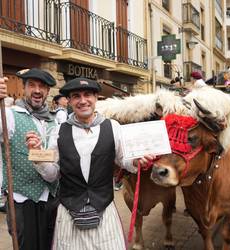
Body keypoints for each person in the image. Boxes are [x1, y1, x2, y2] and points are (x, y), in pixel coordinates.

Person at [26, 77, 155, 249]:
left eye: (88, 95)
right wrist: (38, 156)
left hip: (104, 209)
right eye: (76, 96)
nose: (83, 100)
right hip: (69, 213)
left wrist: (137, 160)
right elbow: (52, 175)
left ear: (96, 99)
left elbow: (124, 161)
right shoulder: (59, 131)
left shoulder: (113, 127)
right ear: (70, 101)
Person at [0, 68, 58, 250]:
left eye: (42, 86)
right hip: (21, 200)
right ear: (24, 88)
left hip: (50, 199)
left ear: (48, 92)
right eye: (32, 85)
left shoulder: (54, 121)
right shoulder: (8, 114)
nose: (37, 90)